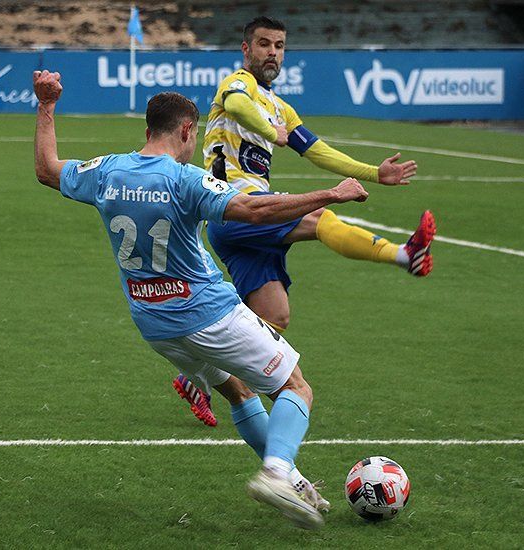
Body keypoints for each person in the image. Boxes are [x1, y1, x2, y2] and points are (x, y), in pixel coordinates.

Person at [32, 70, 371, 528]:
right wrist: (332, 193)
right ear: (187, 131)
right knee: (295, 386)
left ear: (147, 129)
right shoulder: (184, 179)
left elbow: (47, 170)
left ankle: (289, 477)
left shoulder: (107, 170)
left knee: (238, 391)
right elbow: (251, 209)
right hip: (208, 313)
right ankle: (276, 470)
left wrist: (47, 105)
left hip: (153, 322)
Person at [172, 16, 435, 425]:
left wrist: (374, 173)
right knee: (318, 216)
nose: (272, 52)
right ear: (246, 49)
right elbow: (241, 106)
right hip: (236, 206)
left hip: (241, 225)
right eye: (264, 44)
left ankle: (196, 375)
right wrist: (269, 131)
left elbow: (317, 150)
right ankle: (405, 254)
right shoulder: (236, 85)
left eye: (279, 45)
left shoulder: (280, 107)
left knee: (274, 317)